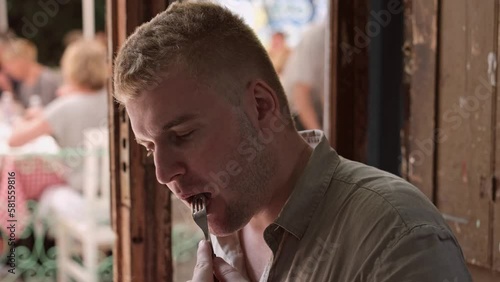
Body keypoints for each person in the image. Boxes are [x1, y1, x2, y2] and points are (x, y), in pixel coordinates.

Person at [113, 2, 472, 282]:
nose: (162, 173)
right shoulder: (227, 215)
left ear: (261, 106)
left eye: (182, 135)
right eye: (149, 147)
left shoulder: (398, 237)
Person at [8, 39, 108, 192]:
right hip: (113, 188)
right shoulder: (114, 100)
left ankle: (12, 215)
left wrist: (31, 118)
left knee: (20, 185)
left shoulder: (64, 107)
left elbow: (14, 140)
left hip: (79, 188)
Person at [282, 22, 326, 130]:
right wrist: (323, 142)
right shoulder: (317, 37)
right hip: (295, 116)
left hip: (316, 113)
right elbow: (301, 94)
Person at [1, 38, 62, 108]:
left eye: (9, 65)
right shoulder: (24, 84)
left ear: (21, 61)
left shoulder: (46, 79)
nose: (7, 71)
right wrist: (8, 89)